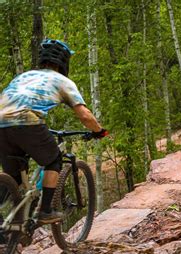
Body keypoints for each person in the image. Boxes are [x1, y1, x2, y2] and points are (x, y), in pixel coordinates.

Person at [0, 39, 108, 224]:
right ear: (64, 62)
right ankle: (45, 211)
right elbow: (85, 115)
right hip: (27, 121)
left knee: (13, 182)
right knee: (54, 160)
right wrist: (99, 131)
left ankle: (9, 229)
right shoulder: (62, 81)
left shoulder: (23, 77)